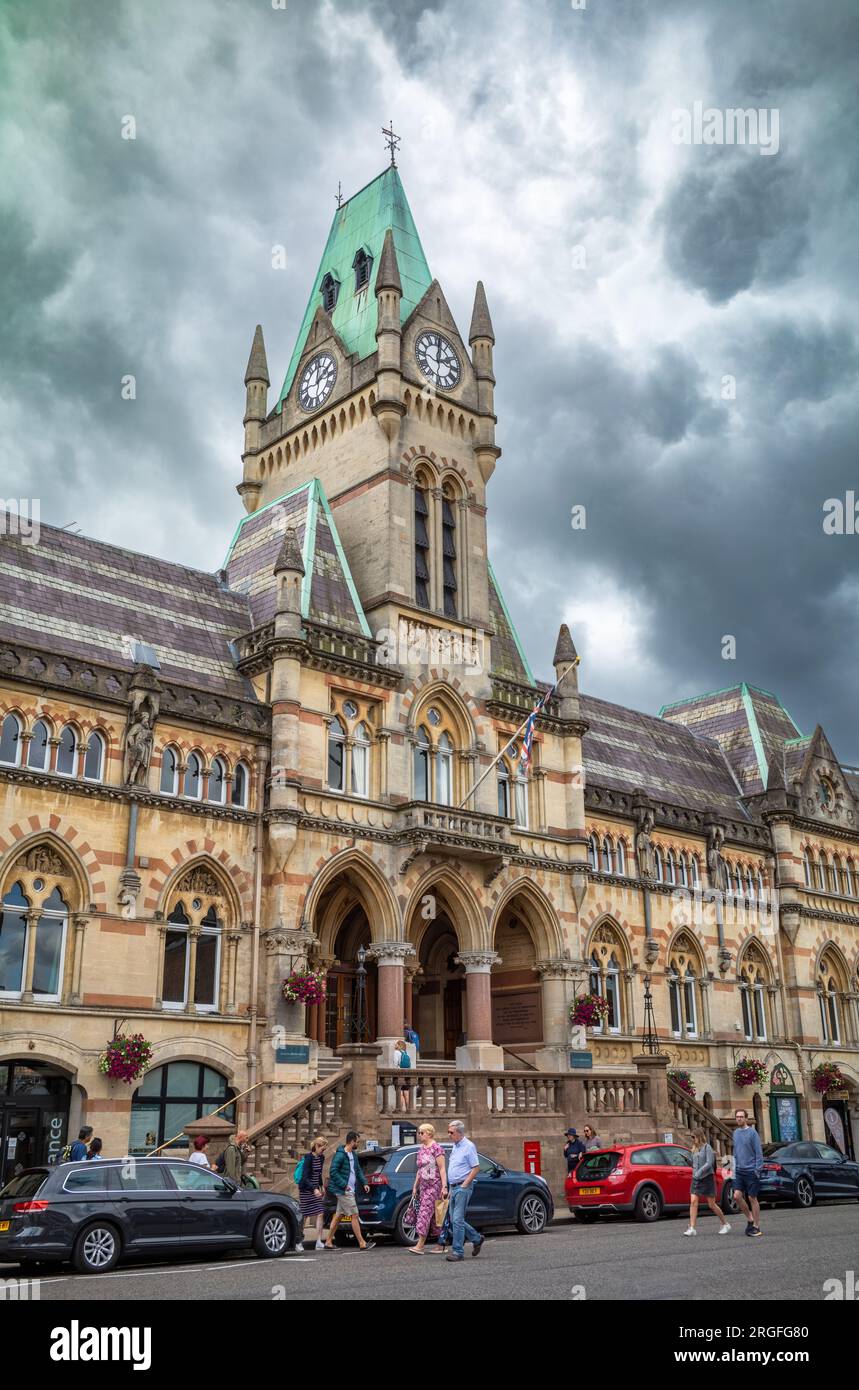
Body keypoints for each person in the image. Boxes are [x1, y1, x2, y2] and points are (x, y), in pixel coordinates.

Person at [325, 1131, 376, 1251]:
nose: (358, 1144)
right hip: (343, 1190)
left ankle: (328, 1241)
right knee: (354, 1214)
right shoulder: (340, 1155)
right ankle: (362, 1243)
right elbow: (333, 1172)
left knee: (338, 1216)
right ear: (352, 1141)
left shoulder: (353, 1154)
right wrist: (344, 1185)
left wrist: (364, 1183)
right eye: (357, 1142)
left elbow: (357, 1170)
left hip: (349, 1190)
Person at [444, 1120, 483, 1262]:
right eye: (448, 1132)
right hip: (454, 1187)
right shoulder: (456, 1146)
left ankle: (458, 1251)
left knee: (457, 1220)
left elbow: (476, 1167)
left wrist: (465, 1184)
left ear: (459, 1133)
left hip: (462, 1187)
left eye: (451, 1133)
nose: (449, 1135)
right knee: (455, 1220)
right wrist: (450, 1187)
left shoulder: (468, 1146)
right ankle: (476, 1238)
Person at [409, 1123, 448, 1255]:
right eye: (419, 1132)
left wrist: (444, 1187)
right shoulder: (421, 1149)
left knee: (424, 1213)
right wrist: (415, 1186)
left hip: (434, 1185)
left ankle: (420, 1245)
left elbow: (442, 1169)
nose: (419, 1135)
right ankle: (440, 1244)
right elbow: (420, 1170)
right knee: (435, 1216)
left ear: (429, 1133)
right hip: (423, 1186)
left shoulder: (436, 1149)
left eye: (421, 1132)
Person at [684, 1129, 730, 1236]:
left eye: (693, 1137)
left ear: (699, 1136)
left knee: (712, 1204)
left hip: (707, 1178)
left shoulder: (707, 1147)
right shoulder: (694, 1149)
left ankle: (725, 1224)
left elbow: (709, 1163)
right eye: (692, 1137)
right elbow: (694, 1165)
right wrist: (687, 1161)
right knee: (693, 1202)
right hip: (696, 1178)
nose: (692, 1139)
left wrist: (699, 1172)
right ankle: (692, 1228)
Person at [731, 1108, 764, 1237]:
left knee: (752, 1198)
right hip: (739, 1170)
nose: (739, 1118)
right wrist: (732, 1169)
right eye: (737, 1117)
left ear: (746, 1118)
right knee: (736, 1196)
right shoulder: (735, 1133)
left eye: (741, 1116)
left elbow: (759, 1153)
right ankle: (749, 1218)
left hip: (751, 1170)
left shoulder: (752, 1133)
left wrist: (757, 1170)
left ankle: (756, 1225)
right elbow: (735, 1152)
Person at [296, 1134, 328, 1252]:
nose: (323, 1151)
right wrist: (313, 1189)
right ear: (316, 1146)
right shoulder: (308, 1158)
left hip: (315, 1189)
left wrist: (321, 1186)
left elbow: (318, 1173)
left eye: (324, 1149)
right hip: (306, 1190)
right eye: (322, 1148)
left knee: (320, 1213)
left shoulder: (321, 1158)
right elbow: (304, 1177)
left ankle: (319, 1241)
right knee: (304, 1216)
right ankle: (298, 1241)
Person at [393, 1039, 412, 1113]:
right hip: (407, 1075)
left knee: (399, 1092)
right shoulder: (406, 1053)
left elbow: (395, 1064)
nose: (395, 1045)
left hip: (399, 1074)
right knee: (406, 1092)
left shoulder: (396, 1052)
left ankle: (400, 1109)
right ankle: (408, 1109)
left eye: (396, 1044)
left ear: (399, 1045)